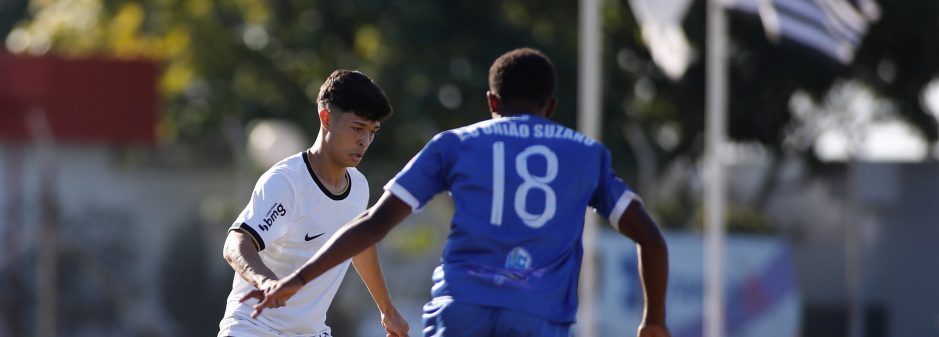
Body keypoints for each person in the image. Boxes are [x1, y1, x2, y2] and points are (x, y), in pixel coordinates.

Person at [244, 48, 670, 337]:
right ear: (552, 107)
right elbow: (650, 238)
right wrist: (654, 321)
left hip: (461, 309)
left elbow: (373, 226)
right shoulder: (586, 154)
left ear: (491, 102)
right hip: (539, 315)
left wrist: (297, 279)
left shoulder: (457, 144)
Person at [219, 69, 409, 337]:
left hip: (311, 332)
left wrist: (387, 310)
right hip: (253, 327)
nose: (364, 141)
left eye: (372, 131)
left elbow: (360, 244)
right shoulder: (285, 181)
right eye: (357, 128)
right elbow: (235, 243)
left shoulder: (359, 186)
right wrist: (265, 281)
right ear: (326, 118)